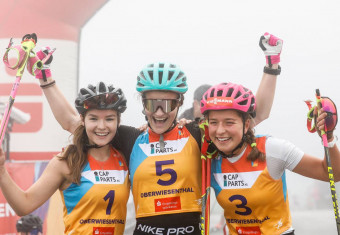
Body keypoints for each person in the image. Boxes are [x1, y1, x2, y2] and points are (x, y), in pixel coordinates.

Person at [34, 32, 282, 234]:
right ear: (143, 105)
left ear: (179, 103)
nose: (160, 113)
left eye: (168, 104)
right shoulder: (130, 138)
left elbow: (252, 115)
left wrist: (272, 65)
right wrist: (45, 78)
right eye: (153, 104)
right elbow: (71, 121)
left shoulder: (195, 132)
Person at [199, 82, 340, 234]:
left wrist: (329, 137)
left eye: (229, 122)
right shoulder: (209, 159)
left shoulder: (272, 149)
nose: (220, 131)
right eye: (213, 122)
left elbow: (330, 174)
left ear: (246, 125)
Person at [0, 81, 130, 234]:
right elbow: (24, 205)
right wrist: (1, 170)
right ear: (82, 120)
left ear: (118, 121)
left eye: (109, 119)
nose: (101, 126)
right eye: (93, 119)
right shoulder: (66, 162)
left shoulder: (125, 156)